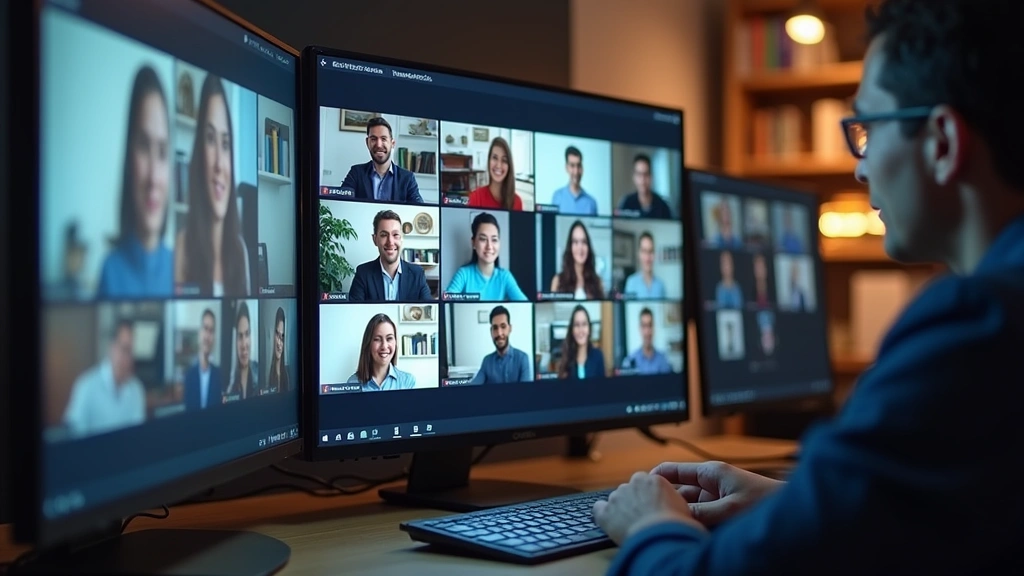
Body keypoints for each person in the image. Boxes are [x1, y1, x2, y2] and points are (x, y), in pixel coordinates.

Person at [593, 1, 1024, 573]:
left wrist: (651, 525)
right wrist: (792, 504)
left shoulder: (975, 325)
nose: (860, 168)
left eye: (868, 130)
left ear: (943, 141)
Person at [97, 65, 174, 298]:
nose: (153, 178)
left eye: (162, 152)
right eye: (143, 146)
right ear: (128, 159)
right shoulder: (110, 274)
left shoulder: (182, 269)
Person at [175, 74, 251, 297]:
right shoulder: (181, 249)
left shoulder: (240, 251)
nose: (219, 163)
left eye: (225, 144)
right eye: (210, 139)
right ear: (198, 154)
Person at [63, 319, 146, 438]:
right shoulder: (86, 386)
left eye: (132, 351)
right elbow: (74, 436)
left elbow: (137, 437)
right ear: (111, 347)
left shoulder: (136, 389)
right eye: (125, 350)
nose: (130, 359)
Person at [349, 210, 433, 302]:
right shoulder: (363, 273)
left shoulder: (417, 274)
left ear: (401, 238)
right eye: (384, 235)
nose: (390, 242)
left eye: (396, 235)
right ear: (375, 239)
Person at [338, 117, 424, 204]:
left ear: (392, 144)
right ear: (367, 143)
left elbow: (419, 207)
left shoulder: (408, 178)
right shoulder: (356, 173)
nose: (379, 145)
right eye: (373, 139)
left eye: (383, 139)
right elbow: (342, 202)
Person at [446, 212, 527, 301]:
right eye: (483, 239)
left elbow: (525, 303)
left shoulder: (505, 277)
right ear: (473, 243)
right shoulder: (464, 274)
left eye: (494, 240)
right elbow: (447, 299)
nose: (489, 246)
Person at [346, 313, 416, 392]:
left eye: (389, 338)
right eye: (377, 339)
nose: (384, 346)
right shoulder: (353, 383)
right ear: (368, 343)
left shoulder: (407, 382)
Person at [470, 305, 532, 384]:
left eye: (503, 326)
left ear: (510, 328)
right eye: (495, 328)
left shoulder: (522, 359)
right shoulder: (487, 361)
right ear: (491, 331)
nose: (499, 333)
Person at [550, 220, 605, 299]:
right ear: (570, 247)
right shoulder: (557, 281)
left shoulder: (598, 282)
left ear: (588, 247)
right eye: (575, 242)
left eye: (584, 242)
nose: (580, 248)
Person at [467, 137, 523, 210]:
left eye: (504, 160)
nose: (498, 165)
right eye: (495, 158)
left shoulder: (517, 202)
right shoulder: (476, 197)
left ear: (509, 166)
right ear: (489, 161)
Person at [183, 308, 221, 410]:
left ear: (214, 337)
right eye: (205, 328)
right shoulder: (189, 376)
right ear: (200, 332)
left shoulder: (220, 376)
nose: (207, 336)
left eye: (211, 331)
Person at [557, 305, 605, 380]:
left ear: (589, 329)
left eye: (584, 324)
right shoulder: (566, 359)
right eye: (577, 325)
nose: (581, 330)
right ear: (572, 330)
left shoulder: (598, 356)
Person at [617, 154, 672, 219]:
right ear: (634, 177)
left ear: (651, 176)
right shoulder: (626, 203)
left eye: (646, 174)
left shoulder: (663, 206)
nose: (643, 179)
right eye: (639, 174)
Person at [620, 307, 672, 374]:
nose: (647, 332)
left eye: (650, 325)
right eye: (644, 326)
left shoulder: (664, 361)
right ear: (640, 329)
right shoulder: (630, 361)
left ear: (654, 328)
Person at [550, 146, 598, 215]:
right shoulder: (557, 197)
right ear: (566, 168)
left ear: (582, 168)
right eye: (572, 166)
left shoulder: (591, 203)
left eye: (579, 166)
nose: (576, 172)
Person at [225, 301, 257, 401]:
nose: (244, 344)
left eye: (247, 334)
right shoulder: (229, 385)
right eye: (240, 336)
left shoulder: (259, 373)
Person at [622, 232, 666, 299]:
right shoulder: (631, 282)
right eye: (644, 251)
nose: (647, 258)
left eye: (651, 251)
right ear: (639, 254)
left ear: (654, 254)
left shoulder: (661, 285)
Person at [265, 306, 289, 393]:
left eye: (282, 337)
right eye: (277, 335)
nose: (279, 343)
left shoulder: (286, 375)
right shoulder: (268, 375)